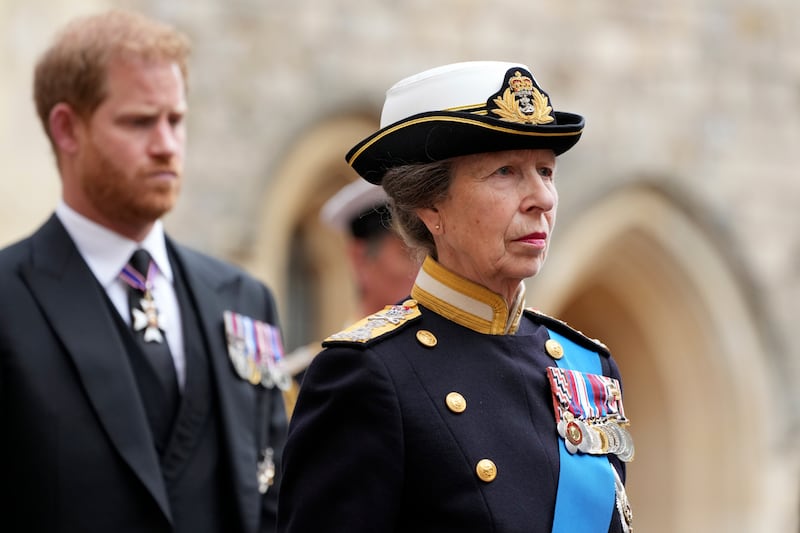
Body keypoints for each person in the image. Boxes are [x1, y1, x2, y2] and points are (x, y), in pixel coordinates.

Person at [278, 61, 635, 533]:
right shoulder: (367, 374)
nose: (541, 199)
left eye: (545, 171)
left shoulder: (586, 366)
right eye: (506, 172)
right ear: (429, 206)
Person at [0, 10, 287, 533]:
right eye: (139, 121)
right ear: (67, 128)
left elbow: (272, 495)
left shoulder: (244, 298)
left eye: (175, 120)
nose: (166, 145)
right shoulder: (9, 298)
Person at [280, 179, 419, 415]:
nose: (423, 270)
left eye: (430, 254)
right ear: (360, 258)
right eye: (407, 253)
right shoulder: (302, 381)